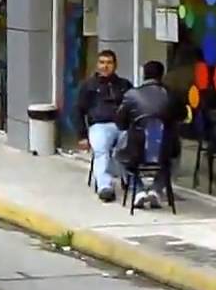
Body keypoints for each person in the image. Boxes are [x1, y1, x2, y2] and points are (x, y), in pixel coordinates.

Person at [115, 60, 181, 209]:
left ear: (143, 74)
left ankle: (138, 190)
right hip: (164, 148)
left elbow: (120, 121)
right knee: (172, 159)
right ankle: (156, 189)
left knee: (118, 155)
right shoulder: (171, 95)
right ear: (161, 75)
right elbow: (181, 115)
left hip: (136, 149)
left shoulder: (131, 95)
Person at [76, 49, 133, 202]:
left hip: (122, 127)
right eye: (102, 62)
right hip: (99, 126)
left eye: (109, 63)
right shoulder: (88, 86)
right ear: (97, 64)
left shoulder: (124, 85)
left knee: (129, 148)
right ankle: (105, 186)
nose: (105, 66)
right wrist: (82, 136)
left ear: (115, 65)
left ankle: (131, 181)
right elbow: (79, 111)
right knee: (102, 151)